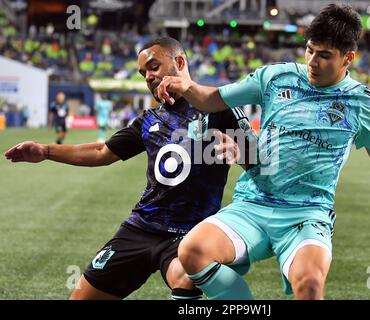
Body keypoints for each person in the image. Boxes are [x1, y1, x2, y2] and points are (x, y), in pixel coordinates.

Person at [154, 4, 370, 300]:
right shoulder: (275, 77)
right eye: (309, 50)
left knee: (309, 286)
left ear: (348, 58)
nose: (312, 62)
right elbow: (214, 99)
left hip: (307, 214)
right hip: (253, 203)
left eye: (324, 55)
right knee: (191, 252)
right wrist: (187, 86)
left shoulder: (362, 103)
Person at [4, 37, 253, 300]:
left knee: (185, 277)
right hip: (141, 228)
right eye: (143, 73)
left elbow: (260, 161)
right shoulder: (149, 120)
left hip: (191, 234)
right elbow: (102, 152)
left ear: (179, 62)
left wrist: (239, 150)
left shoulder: (218, 106)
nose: (148, 77)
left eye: (154, 67)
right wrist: (46, 151)